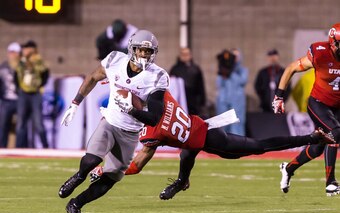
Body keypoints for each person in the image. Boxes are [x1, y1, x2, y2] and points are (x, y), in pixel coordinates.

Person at [90, 90, 334, 200]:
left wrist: (104, 170)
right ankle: (181, 181)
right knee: (186, 153)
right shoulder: (160, 97)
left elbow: (136, 165)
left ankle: (309, 138)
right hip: (195, 133)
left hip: (210, 138)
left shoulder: (151, 126)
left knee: (260, 146)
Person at [58, 30, 170, 213]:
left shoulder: (157, 76)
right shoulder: (114, 60)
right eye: (140, 50)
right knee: (92, 159)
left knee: (110, 179)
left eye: (148, 51)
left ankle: (75, 204)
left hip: (131, 132)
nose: (144, 54)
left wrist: (132, 110)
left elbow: (153, 118)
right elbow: (93, 77)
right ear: (131, 48)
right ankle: (79, 176)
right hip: (110, 122)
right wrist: (75, 104)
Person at [272, 23, 340, 196]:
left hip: (338, 105)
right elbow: (291, 68)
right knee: (336, 132)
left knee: (318, 147)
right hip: (319, 103)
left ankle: (288, 168)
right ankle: (330, 181)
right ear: (332, 42)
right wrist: (279, 96)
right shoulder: (320, 53)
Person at [15, 40, 49, 148]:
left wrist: (40, 86)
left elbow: (45, 74)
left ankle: (45, 146)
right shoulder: (21, 61)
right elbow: (16, 74)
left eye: (26, 48)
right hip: (23, 93)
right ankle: (19, 147)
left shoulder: (38, 61)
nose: (24, 50)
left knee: (38, 122)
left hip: (35, 94)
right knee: (20, 122)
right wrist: (18, 88)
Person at [216, 48, 248, 135]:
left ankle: (239, 143)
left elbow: (243, 81)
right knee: (223, 122)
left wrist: (231, 73)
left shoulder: (242, 70)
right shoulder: (223, 69)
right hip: (224, 99)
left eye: (236, 56)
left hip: (237, 100)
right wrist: (224, 69)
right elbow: (219, 83)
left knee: (237, 123)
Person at [169, 47, 206, 116]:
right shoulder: (175, 69)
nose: (185, 56)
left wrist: (202, 103)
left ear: (190, 55)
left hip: (193, 102)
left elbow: (201, 87)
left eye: (187, 54)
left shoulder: (196, 69)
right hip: (179, 102)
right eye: (183, 54)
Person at [0, 42, 21, 147]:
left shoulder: (22, 66)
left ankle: (21, 148)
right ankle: (2, 148)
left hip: (20, 100)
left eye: (15, 53)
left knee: (21, 126)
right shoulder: (3, 67)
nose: (12, 55)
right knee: (3, 125)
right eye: (11, 52)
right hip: (6, 100)